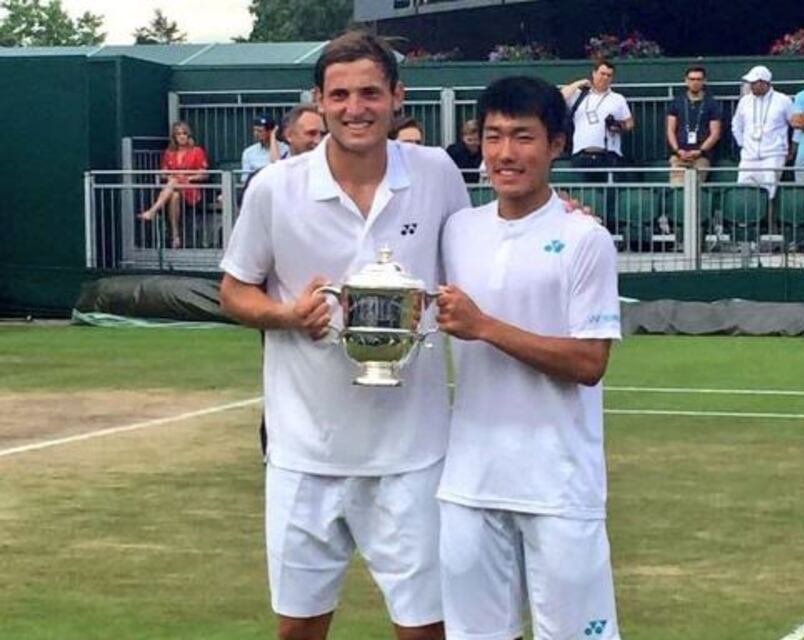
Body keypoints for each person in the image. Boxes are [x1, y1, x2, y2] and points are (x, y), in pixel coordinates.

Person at [219, 31, 470, 640]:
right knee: (299, 630)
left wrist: (560, 213)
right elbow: (234, 290)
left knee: (425, 630)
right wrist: (286, 315)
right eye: (340, 95)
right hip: (305, 452)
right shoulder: (275, 187)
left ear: (396, 97)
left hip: (413, 453)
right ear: (320, 101)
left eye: (369, 93)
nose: (355, 108)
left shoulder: (436, 172)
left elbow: (478, 255)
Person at [436, 76, 623, 640]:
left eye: (523, 137)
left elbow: (590, 363)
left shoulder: (585, 237)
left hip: (559, 486)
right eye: (493, 137)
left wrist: (486, 327)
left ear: (556, 146)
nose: (505, 154)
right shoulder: (458, 230)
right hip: (469, 481)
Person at [138, 121, 209, 249]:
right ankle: (176, 237)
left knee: (174, 182)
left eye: (184, 133)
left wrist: (187, 178)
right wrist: (169, 176)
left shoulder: (197, 151)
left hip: (190, 188)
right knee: (174, 195)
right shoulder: (169, 153)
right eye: (178, 134)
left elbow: (204, 174)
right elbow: (162, 173)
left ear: (189, 135)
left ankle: (153, 210)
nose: (182, 137)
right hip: (173, 190)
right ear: (174, 137)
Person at [560, 59, 634, 176]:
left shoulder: (618, 98)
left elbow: (629, 123)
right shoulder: (579, 95)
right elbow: (560, 96)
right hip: (582, 152)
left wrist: (619, 126)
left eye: (609, 75)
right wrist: (579, 83)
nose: (605, 78)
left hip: (609, 153)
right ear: (594, 73)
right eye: (602, 74)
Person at [731, 64, 794, 199]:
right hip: (748, 156)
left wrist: (789, 149)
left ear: (764, 83)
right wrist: (742, 144)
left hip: (773, 154)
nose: (751, 86)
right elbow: (736, 124)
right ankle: (746, 220)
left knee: (769, 193)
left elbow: (794, 124)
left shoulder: (783, 100)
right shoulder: (745, 101)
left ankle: (768, 220)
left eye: (754, 83)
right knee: (744, 192)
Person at [666, 65, 723, 185]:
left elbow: (715, 133)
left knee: (695, 188)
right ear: (686, 81)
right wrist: (677, 150)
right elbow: (670, 129)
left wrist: (700, 151)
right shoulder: (677, 102)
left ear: (704, 81)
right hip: (679, 155)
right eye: (692, 79)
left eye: (698, 79)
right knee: (678, 187)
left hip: (701, 156)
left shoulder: (712, 104)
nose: (695, 82)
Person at [240, 113, 288, 181]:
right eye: (255, 130)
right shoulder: (249, 152)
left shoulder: (285, 149)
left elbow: (277, 165)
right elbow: (245, 178)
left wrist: (273, 136)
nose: (256, 134)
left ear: (270, 131)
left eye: (260, 131)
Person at [445, 119, 482, 184]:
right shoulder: (453, 151)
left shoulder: (485, 151)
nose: (473, 143)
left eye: (476, 140)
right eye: (469, 140)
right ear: (463, 138)